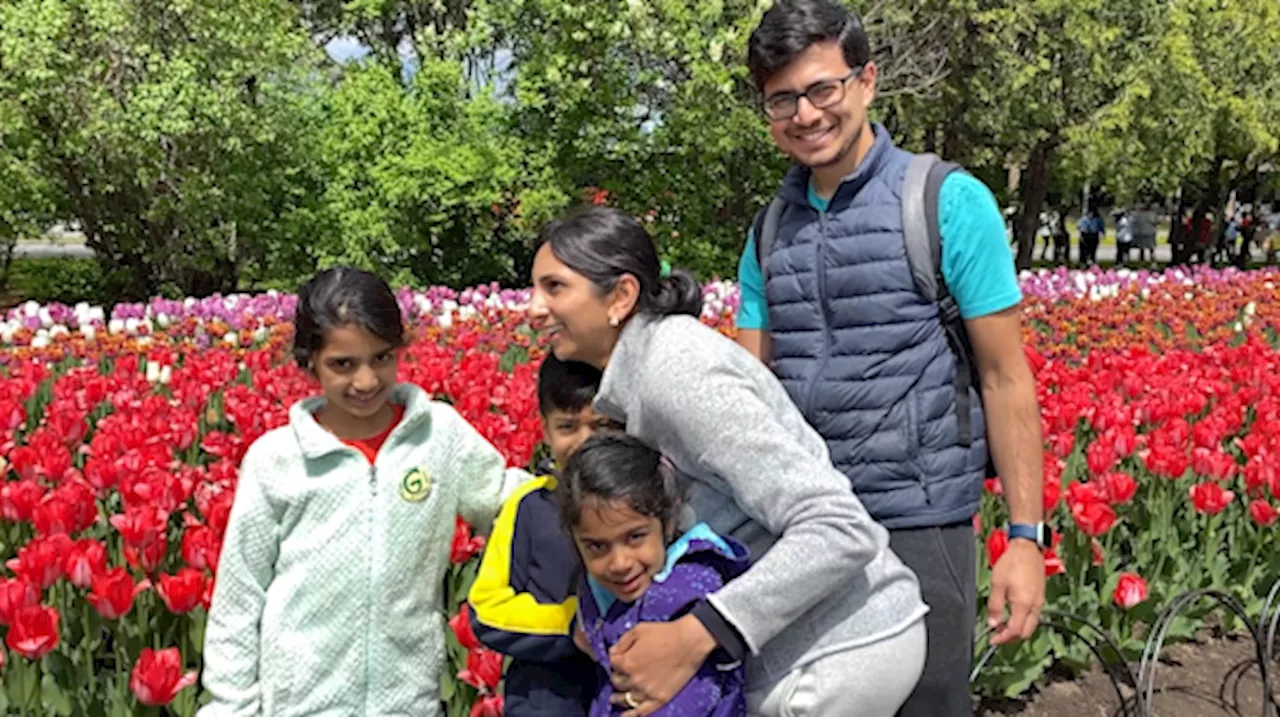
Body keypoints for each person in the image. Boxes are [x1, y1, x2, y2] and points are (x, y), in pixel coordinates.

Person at [735, 2, 1047, 716]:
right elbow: (751, 395)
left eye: (823, 89)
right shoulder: (768, 230)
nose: (806, 114)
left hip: (919, 521)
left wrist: (1025, 537)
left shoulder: (944, 201)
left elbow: (1005, 376)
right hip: (805, 526)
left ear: (866, 82)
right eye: (783, 99)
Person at [529, 204, 928, 717]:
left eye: (555, 287)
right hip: (795, 647)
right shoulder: (639, 376)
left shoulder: (677, 375)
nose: (535, 307)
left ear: (621, 296)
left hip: (835, 649)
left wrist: (696, 635)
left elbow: (837, 525)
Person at [199, 267, 527, 717]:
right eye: (343, 364)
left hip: (407, 699)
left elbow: (508, 500)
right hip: (301, 702)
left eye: (381, 358)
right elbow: (240, 595)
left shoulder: (439, 437)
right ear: (308, 359)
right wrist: (231, 707)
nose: (367, 381)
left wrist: (587, 495)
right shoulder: (277, 460)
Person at [467, 354, 620, 717]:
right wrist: (569, 625)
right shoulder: (529, 505)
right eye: (568, 427)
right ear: (545, 430)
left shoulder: (641, 501)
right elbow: (486, 609)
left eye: (601, 426)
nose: (585, 441)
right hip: (545, 698)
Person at [560, 433, 751, 717]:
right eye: (597, 546)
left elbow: (693, 699)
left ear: (667, 520)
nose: (619, 562)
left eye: (635, 537)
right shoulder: (595, 590)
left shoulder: (691, 587)